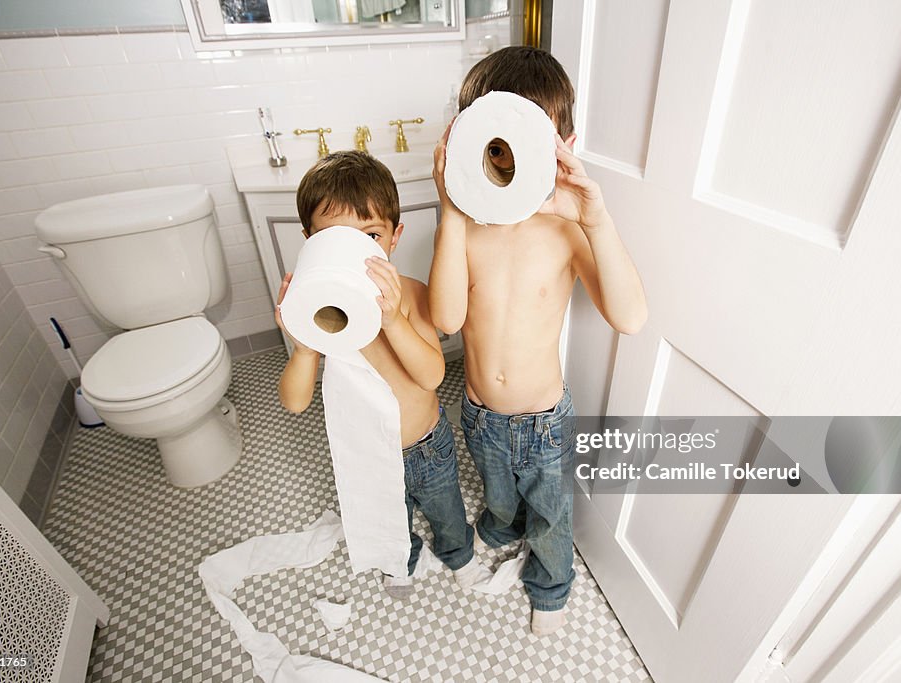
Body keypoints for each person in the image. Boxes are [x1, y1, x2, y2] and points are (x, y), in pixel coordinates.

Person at [428, 46, 648, 635]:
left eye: (523, 143)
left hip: (543, 420)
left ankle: (550, 590)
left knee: (550, 518)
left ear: (563, 146)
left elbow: (629, 317)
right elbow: (446, 319)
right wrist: (450, 210)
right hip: (478, 413)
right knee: (498, 495)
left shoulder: (565, 228)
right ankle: (501, 525)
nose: (506, 161)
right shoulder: (464, 226)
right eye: (493, 146)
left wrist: (595, 219)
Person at [276, 151, 486, 597]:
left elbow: (431, 376)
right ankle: (400, 559)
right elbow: (295, 402)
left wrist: (394, 320)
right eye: (335, 237)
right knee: (386, 514)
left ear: (393, 237)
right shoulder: (319, 306)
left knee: (446, 512)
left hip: (427, 446)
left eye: (370, 235)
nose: (356, 251)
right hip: (369, 450)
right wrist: (302, 345)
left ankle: (459, 555)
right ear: (311, 241)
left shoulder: (408, 294)